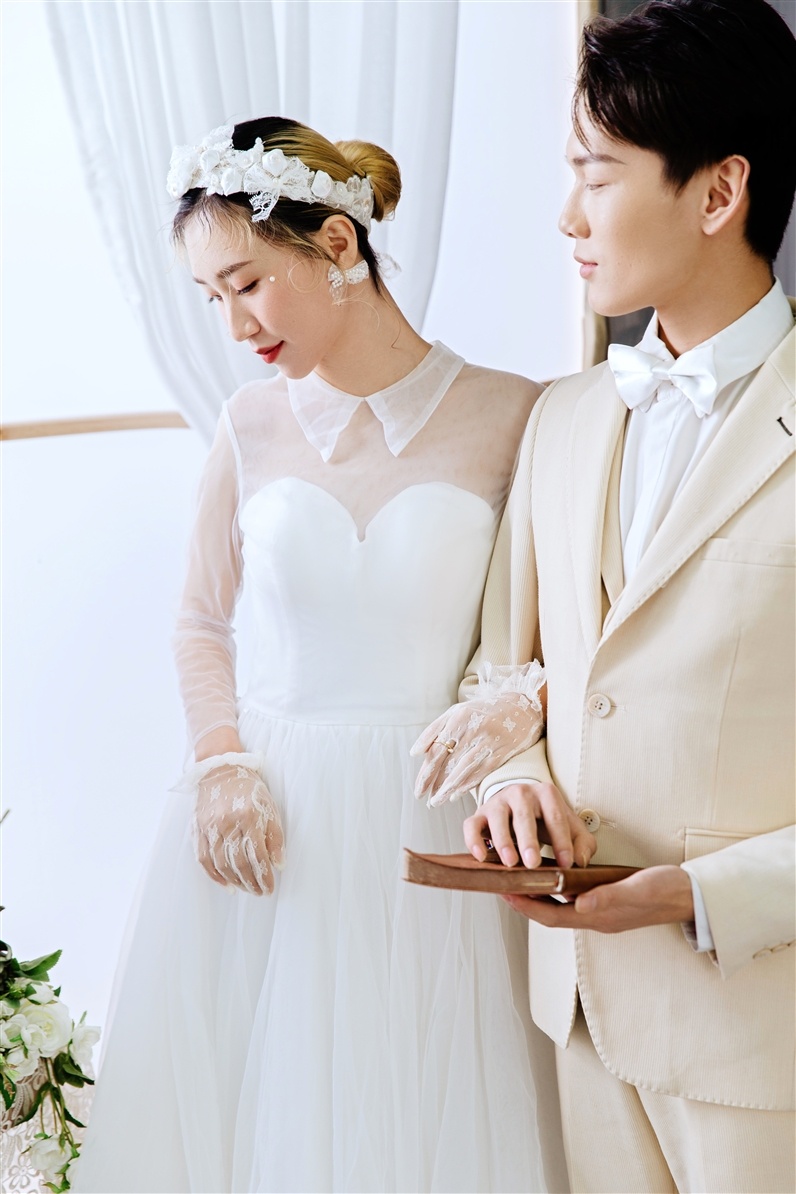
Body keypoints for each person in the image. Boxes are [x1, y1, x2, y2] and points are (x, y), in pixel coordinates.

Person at [72, 116, 567, 1193]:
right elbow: (198, 618)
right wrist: (221, 762)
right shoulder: (248, 424)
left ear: (337, 243)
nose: (233, 324)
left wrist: (525, 702)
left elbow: (557, 629)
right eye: (211, 298)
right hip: (273, 828)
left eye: (246, 283)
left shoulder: (515, 416)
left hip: (436, 826)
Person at [416, 1, 796, 1190]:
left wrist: (706, 893)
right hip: (579, 1016)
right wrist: (514, 785)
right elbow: (502, 670)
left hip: (761, 1036)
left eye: (595, 173)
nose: (566, 216)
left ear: (717, 192)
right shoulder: (565, 418)